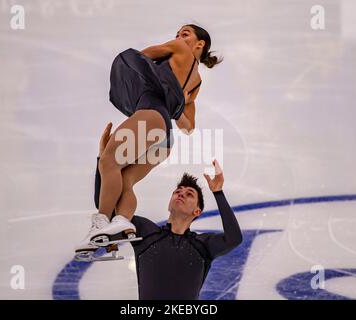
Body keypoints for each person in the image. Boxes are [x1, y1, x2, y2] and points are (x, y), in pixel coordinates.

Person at [81, 24, 223, 245]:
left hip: (151, 115)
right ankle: (121, 222)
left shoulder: (178, 48)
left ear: (199, 44)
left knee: (109, 161)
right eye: (177, 35)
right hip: (166, 138)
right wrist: (179, 102)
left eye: (185, 34)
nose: (178, 37)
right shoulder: (196, 83)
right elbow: (188, 127)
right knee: (126, 180)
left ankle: (100, 224)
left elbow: (141, 60)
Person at [79, 123, 242, 299]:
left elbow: (234, 238)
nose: (181, 194)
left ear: (197, 211)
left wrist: (218, 192)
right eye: (178, 191)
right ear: (169, 203)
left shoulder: (202, 245)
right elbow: (105, 206)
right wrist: (103, 161)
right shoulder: (146, 233)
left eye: (189, 194)